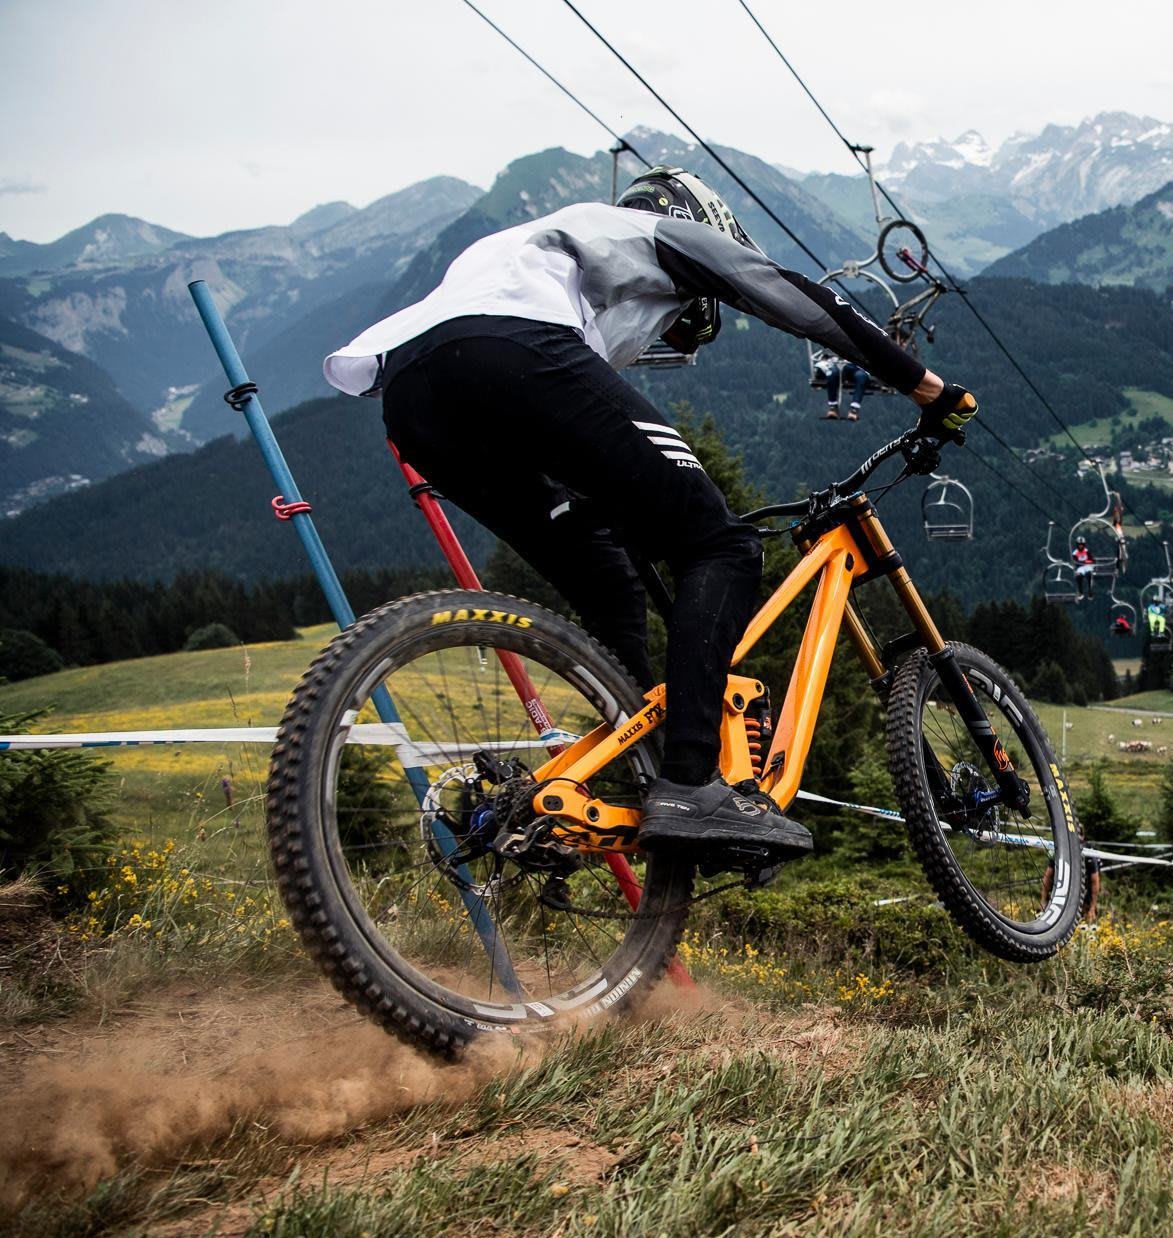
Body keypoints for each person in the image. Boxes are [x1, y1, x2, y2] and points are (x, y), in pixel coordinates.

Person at [322, 165, 978, 865]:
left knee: (605, 572)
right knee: (723, 547)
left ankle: (639, 766)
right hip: (511, 348)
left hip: (414, 397)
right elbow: (795, 297)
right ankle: (690, 785)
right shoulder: (654, 230)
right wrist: (926, 387)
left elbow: (561, 430)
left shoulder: (542, 254)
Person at [812, 349, 869, 421]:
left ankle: (854, 409)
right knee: (832, 374)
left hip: (853, 364)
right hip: (834, 362)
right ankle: (833, 407)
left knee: (861, 376)